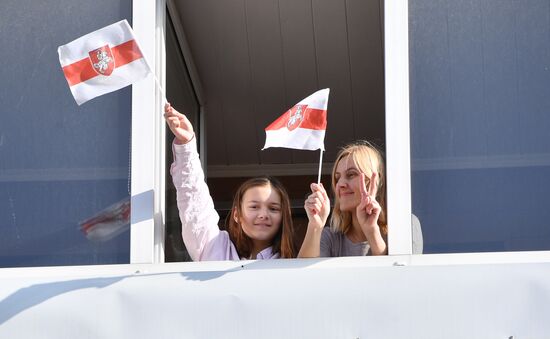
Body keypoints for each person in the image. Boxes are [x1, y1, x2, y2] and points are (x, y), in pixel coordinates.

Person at [165, 103, 295, 260]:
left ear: (284, 217)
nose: (263, 214)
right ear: (236, 214)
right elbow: (193, 199)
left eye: (273, 209)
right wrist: (186, 145)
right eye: (254, 206)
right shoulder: (215, 246)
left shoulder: (292, 263)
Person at [298, 141, 388, 257]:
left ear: (375, 181)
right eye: (337, 178)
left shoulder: (404, 228)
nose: (340, 184)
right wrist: (315, 226)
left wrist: (371, 231)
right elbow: (304, 274)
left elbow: (397, 274)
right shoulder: (330, 237)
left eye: (351, 175)